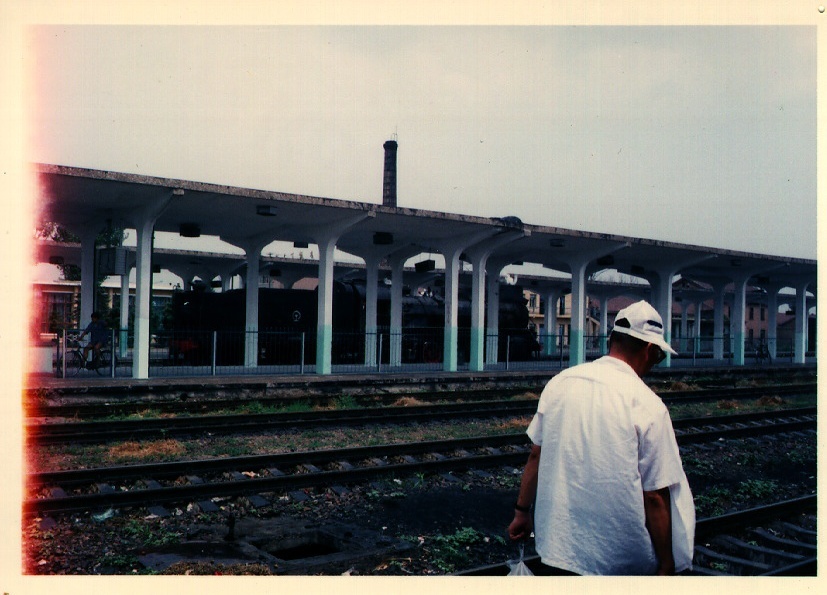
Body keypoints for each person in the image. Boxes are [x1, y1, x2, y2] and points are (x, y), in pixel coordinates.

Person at [507, 300, 695, 575]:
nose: (655, 364)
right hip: (619, 561)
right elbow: (654, 496)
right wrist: (667, 564)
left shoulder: (560, 383)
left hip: (557, 551)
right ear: (649, 350)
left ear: (613, 341)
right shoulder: (648, 405)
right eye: (658, 357)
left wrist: (522, 512)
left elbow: (536, 454)